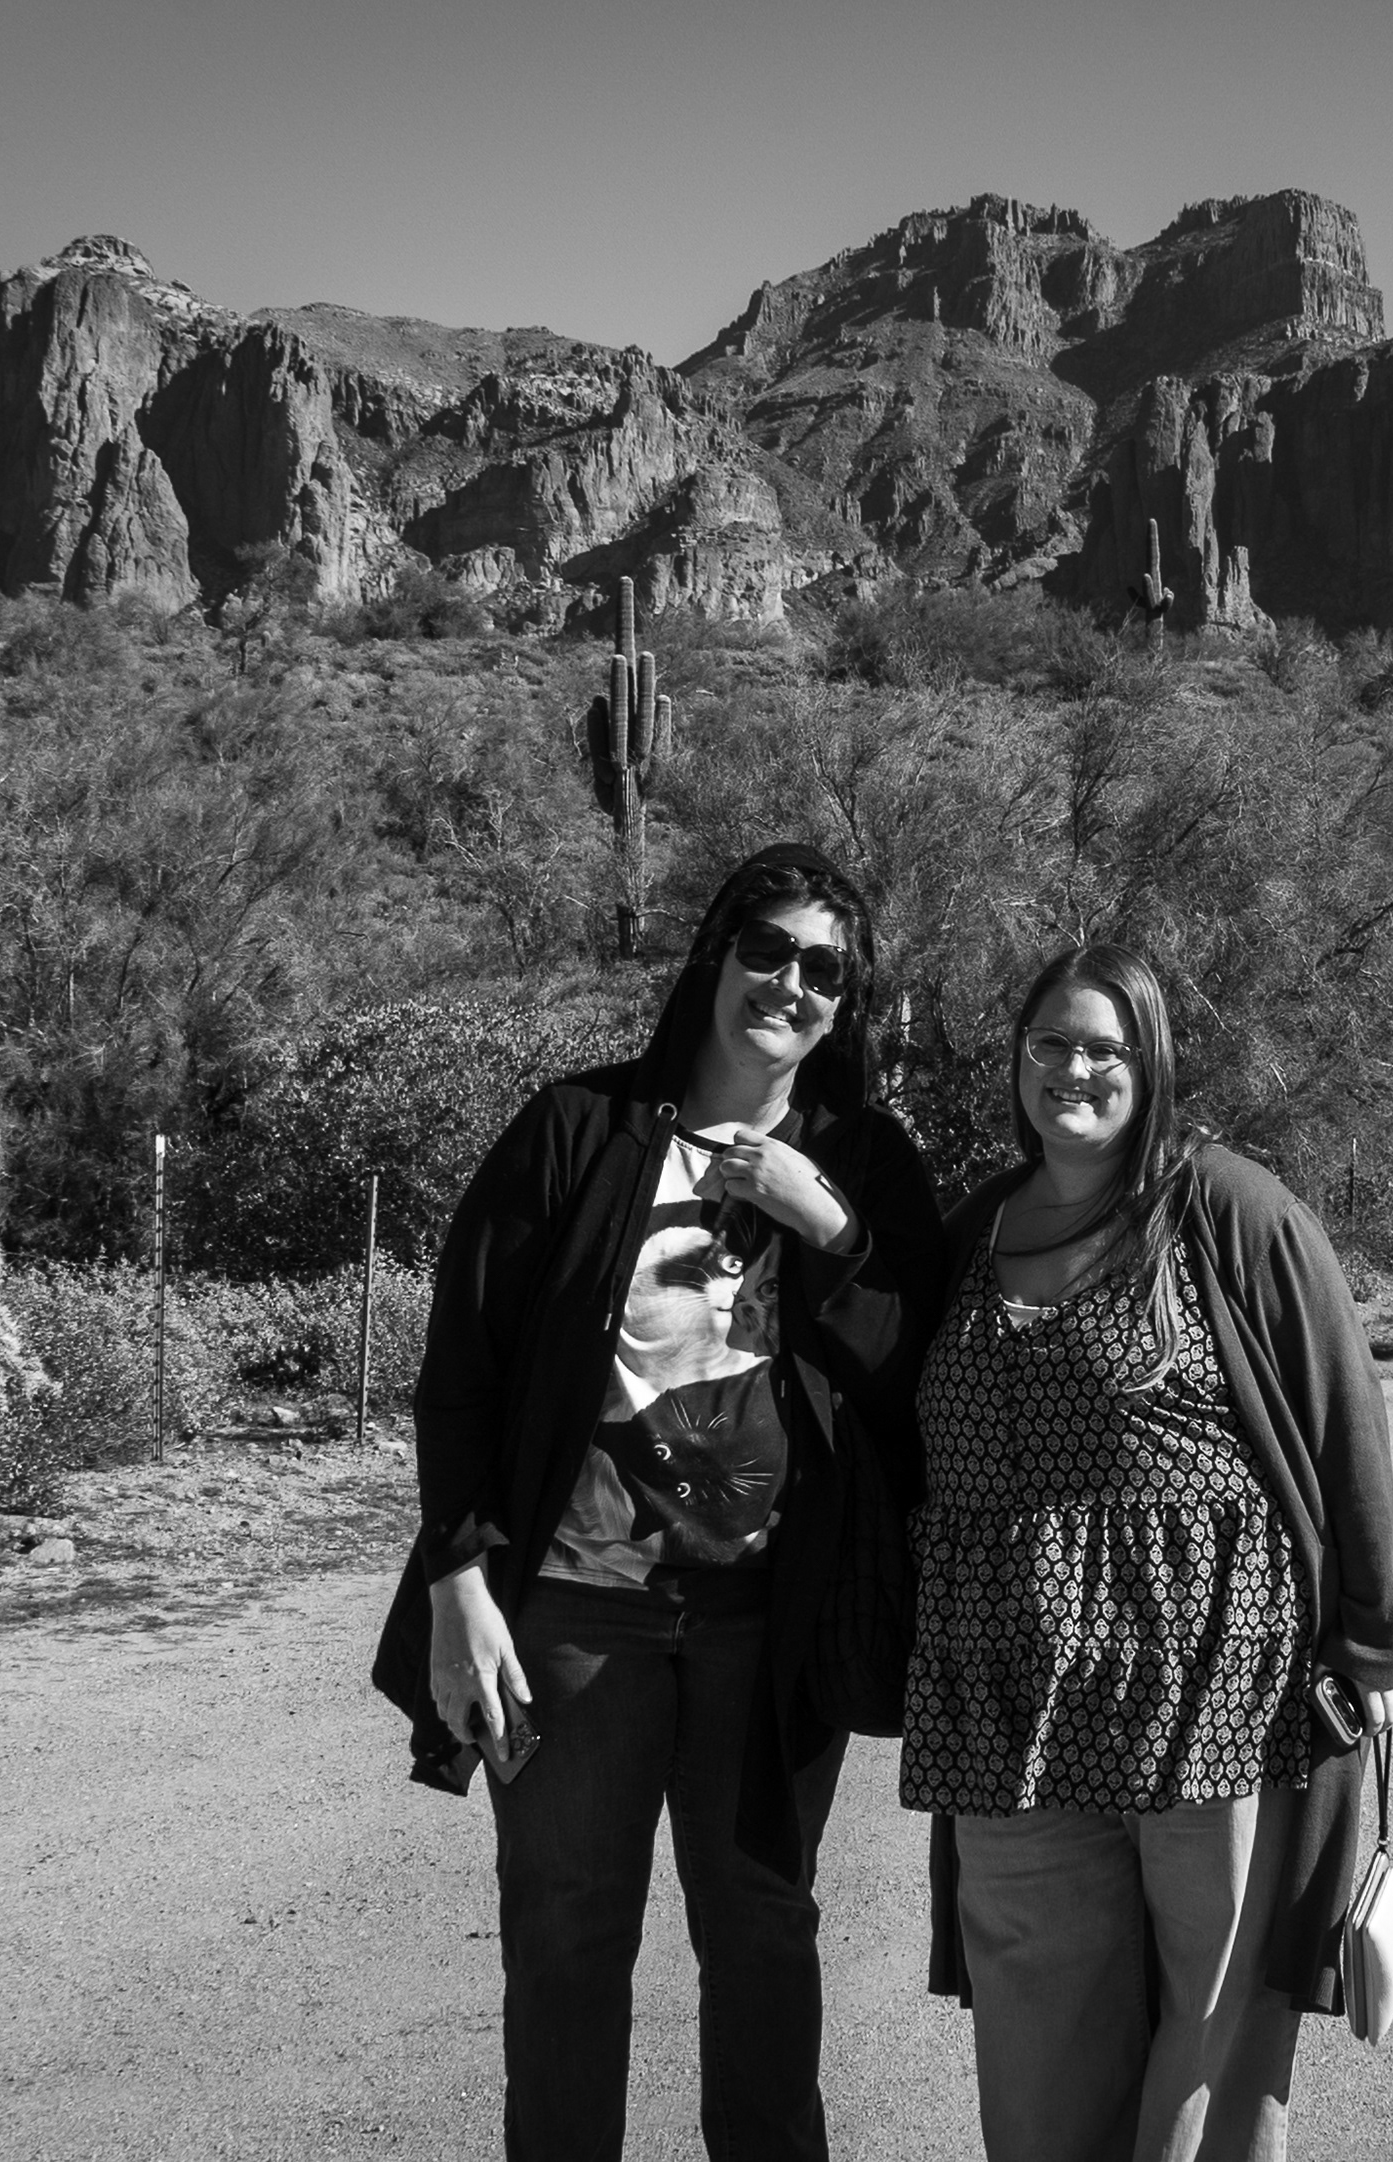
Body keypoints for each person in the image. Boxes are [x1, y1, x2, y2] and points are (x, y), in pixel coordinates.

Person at [372, 843, 945, 2162]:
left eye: (823, 969)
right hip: (573, 1610)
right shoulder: (577, 1130)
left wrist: (831, 1226)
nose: (789, 983)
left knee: (763, 1930)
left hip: (771, 1617)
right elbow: (463, 1372)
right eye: (767, 947)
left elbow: (915, 1372)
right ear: (716, 954)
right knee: (565, 1933)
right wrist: (461, 1584)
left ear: (844, 1005)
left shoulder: (861, 1158)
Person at [901, 941, 1393, 2162]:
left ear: (1152, 1064)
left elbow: (1343, 1418)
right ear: (1017, 1058)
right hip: (1007, 1698)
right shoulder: (972, 1227)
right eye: (1050, 1042)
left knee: (1212, 2014)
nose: (1073, 1069)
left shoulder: (1227, 1208)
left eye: (1106, 1047)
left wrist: (1374, 1640)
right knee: (1035, 2022)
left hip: (1210, 1689)